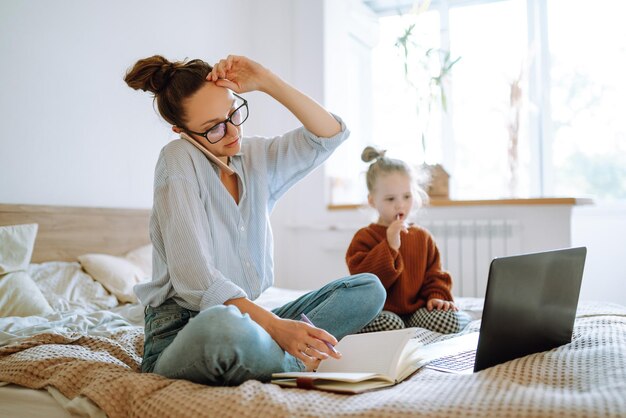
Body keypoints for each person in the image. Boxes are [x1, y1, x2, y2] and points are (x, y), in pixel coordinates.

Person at [124, 55, 385, 386]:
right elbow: (197, 279)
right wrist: (278, 328)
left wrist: (265, 80)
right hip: (186, 330)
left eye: (234, 112)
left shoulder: (255, 157)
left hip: (251, 322)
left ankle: (280, 356)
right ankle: (295, 360)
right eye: (215, 128)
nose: (233, 132)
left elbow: (330, 134)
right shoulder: (177, 159)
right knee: (222, 326)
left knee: (367, 288)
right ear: (182, 131)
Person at [345, 146, 471, 334]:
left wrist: (436, 296)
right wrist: (389, 246)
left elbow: (435, 275)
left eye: (407, 196)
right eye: (390, 199)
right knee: (392, 325)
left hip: (417, 312)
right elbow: (366, 284)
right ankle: (399, 332)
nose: (400, 204)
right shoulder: (364, 238)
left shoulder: (422, 237)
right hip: (382, 312)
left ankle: (457, 318)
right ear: (372, 201)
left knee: (449, 320)